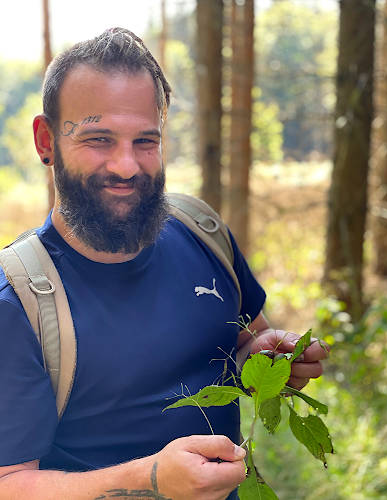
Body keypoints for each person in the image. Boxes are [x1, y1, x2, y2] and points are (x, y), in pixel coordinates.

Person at [0, 28, 328, 500]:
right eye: (99, 139)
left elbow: (243, 341)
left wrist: (265, 359)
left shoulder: (201, 232)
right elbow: (9, 481)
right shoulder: (18, 302)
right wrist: (148, 479)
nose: (126, 166)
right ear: (46, 140)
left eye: (145, 141)